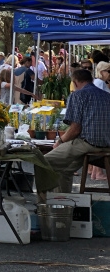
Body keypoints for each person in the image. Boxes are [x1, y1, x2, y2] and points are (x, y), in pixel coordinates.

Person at [43, 68, 110, 196]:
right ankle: (62, 201)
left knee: (44, 161)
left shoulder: (77, 95)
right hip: (106, 144)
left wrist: (60, 141)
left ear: (75, 82)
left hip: (88, 143)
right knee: (65, 169)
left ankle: (47, 201)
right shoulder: (107, 96)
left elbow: (75, 129)